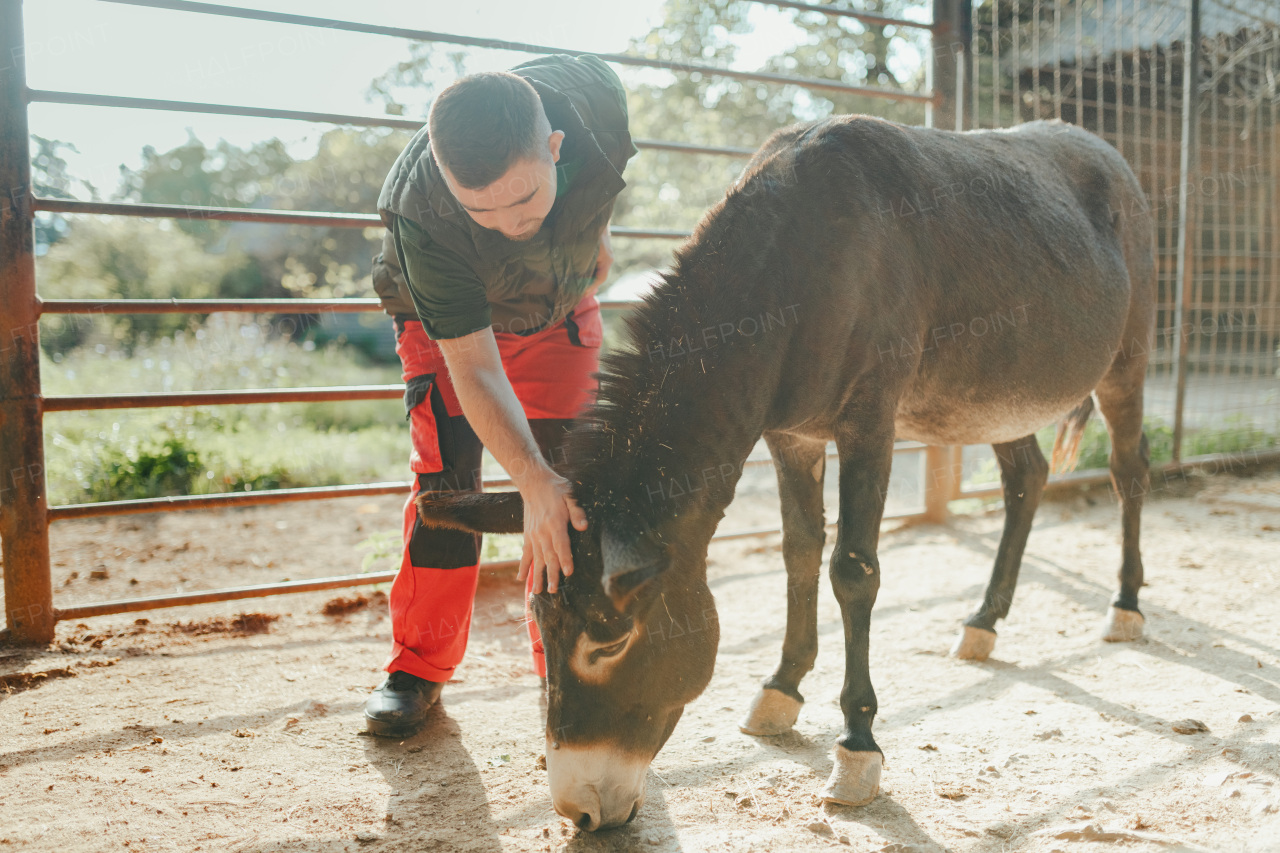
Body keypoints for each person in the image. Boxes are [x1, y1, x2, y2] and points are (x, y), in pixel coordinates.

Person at [364, 54, 637, 737]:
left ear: (556, 148)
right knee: (447, 488)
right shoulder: (423, 215)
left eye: (521, 200)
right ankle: (418, 666)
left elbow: (604, 181)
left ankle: (564, 661)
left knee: (568, 493)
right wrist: (528, 479)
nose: (501, 222)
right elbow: (476, 369)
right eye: (477, 206)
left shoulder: (597, 96)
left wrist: (593, 235)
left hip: (556, 306)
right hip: (451, 328)